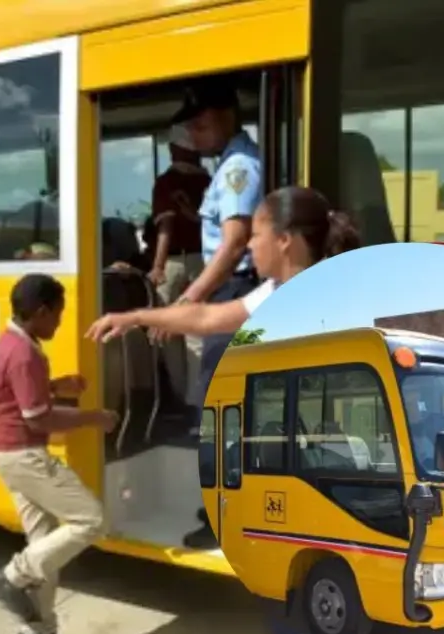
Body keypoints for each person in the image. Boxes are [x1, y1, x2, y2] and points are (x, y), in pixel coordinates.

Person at [87, 185, 359, 634]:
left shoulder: (320, 297)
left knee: (304, 619)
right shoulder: (278, 292)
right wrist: (136, 316)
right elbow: (209, 316)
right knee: (287, 614)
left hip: (309, 480)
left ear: (285, 240)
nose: (248, 245)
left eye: (256, 234)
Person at [0, 274, 118, 634]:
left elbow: (19, 395)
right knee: (92, 520)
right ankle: (10, 577)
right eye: (57, 315)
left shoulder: (13, 342)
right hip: (25, 456)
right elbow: (37, 418)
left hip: (9, 455)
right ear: (40, 312)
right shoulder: (24, 353)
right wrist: (94, 418)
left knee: (46, 554)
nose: (59, 323)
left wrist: (56, 386)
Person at [163, 79, 262, 548]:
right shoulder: (230, 163)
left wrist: (191, 299)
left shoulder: (239, 167)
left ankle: (224, 520)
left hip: (232, 288)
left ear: (225, 117)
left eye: (199, 125)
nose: (194, 135)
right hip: (230, 288)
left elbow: (235, 243)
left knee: (218, 411)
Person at [149, 124, 211, 411]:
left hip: (173, 262)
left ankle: (180, 398)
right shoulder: (208, 181)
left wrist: (157, 265)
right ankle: (195, 398)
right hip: (203, 262)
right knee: (196, 334)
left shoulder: (166, 182)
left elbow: (166, 226)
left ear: (174, 149)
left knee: (166, 332)